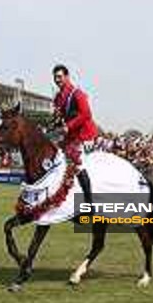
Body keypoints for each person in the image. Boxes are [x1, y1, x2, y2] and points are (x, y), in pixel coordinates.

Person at [52, 64, 98, 207]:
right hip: (70, 137)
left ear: (67, 76)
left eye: (59, 76)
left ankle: (89, 202)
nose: (57, 79)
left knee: (76, 163)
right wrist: (55, 124)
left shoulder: (77, 93)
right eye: (55, 77)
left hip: (85, 135)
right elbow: (59, 118)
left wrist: (68, 126)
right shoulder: (58, 97)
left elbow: (86, 114)